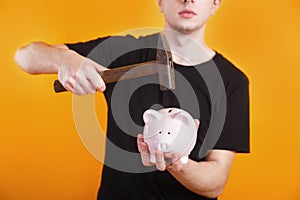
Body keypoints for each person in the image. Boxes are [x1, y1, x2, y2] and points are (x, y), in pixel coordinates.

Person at [14, 0, 250, 199]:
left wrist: (177, 162)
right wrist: (64, 59)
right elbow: (25, 56)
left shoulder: (232, 81)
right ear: (160, 2)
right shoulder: (123, 52)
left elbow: (216, 181)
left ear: (215, 3)